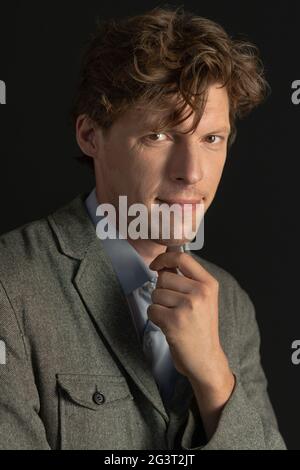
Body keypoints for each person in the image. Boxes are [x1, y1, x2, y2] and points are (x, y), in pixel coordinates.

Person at [0, 6, 286, 449]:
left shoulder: (231, 305)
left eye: (211, 139)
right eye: (160, 135)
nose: (191, 173)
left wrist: (214, 376)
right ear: (90, 135)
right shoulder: (10, 286)